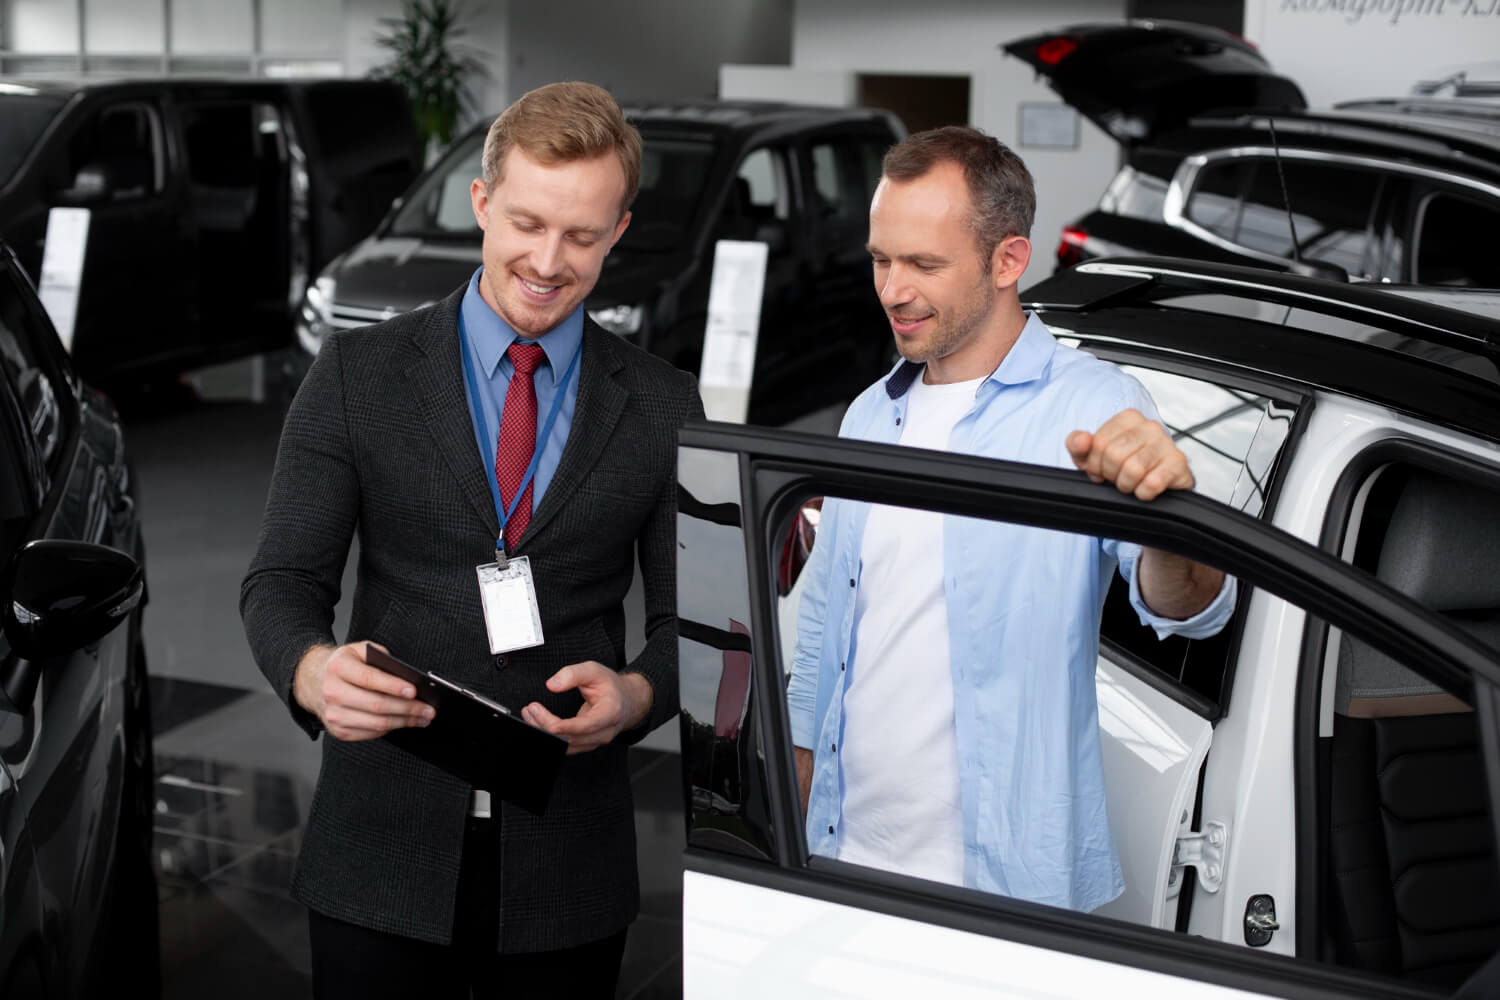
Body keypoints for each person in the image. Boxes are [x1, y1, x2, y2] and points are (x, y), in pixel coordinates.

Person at [240, 81, 703, 999]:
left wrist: (642, 692)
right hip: (380, 847)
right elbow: (282, 583)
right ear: (481, 203)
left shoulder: (663, 405)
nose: (547, 260)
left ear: (619, 230)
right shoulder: (356, 375)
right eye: (527, 223)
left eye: (581, 235)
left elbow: (697, 623)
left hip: (570, 861)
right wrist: (309, 670)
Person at [785, 126, 1234, 913]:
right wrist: (788, 830)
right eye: (881, 260)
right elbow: (826, 625)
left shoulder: (1096, 406)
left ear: (1008, 261)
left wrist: (1168, 513)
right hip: (839, 858)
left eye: (924, 264)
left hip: (998, 891)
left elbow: (1190, 608)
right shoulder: (868, 414)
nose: (892, 290)